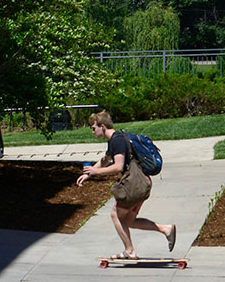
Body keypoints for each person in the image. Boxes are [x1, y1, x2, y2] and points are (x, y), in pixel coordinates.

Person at [76, 110, 177, 259]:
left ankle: (129, 251)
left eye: (93, 127)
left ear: (102, 126)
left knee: (115, 215)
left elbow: (118, 166)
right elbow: (105, 160)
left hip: (134, 185)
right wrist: (88, 173)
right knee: (129, 220)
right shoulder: (116, 139)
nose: (92, 131)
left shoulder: (116, 141)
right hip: (141, 182)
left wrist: (95, 173)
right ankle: (166, 229)